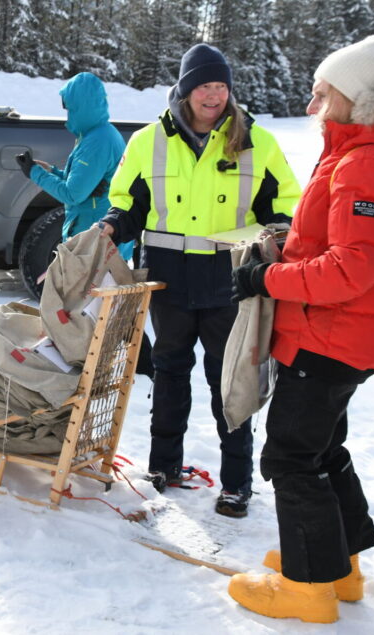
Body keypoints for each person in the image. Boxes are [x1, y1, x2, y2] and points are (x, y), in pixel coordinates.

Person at [227, 37, 374, 623]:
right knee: (322, 450)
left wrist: (267, 279)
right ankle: (336, 567)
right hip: (345, 337)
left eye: (323, 93)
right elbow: (343, 247)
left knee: (292, 457)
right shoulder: (363, 151)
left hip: (329, 340)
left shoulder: (367, 163)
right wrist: (289, 245)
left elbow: (351, 269)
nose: (313, 103)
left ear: (357, 98)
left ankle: (306, 587)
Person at [100, 44, 300, 517]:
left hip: (228, 280)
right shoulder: (148, 140)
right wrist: (109, 227)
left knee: (229, 380)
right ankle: (163, 466)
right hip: (168, 278)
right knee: (169, 372)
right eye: (204, 86)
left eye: (221, 86)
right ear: (186, 90)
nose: (214, 95)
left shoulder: (257, 141)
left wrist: (269, 247)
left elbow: (285, 209)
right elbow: (129, 204)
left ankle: (236, 484)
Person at [15, 72, 152, 376]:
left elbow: (74, 193)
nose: (67, 114)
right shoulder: (97, 135)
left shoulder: (98, 140)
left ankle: (115, 365)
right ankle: (138, 365)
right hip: (97, 233)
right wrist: (52, 170)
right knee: (102, 303)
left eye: (70, 108)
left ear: (81, 106)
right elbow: (83, 182)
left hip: (94, 237)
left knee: (85, 304)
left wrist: (34, 176)